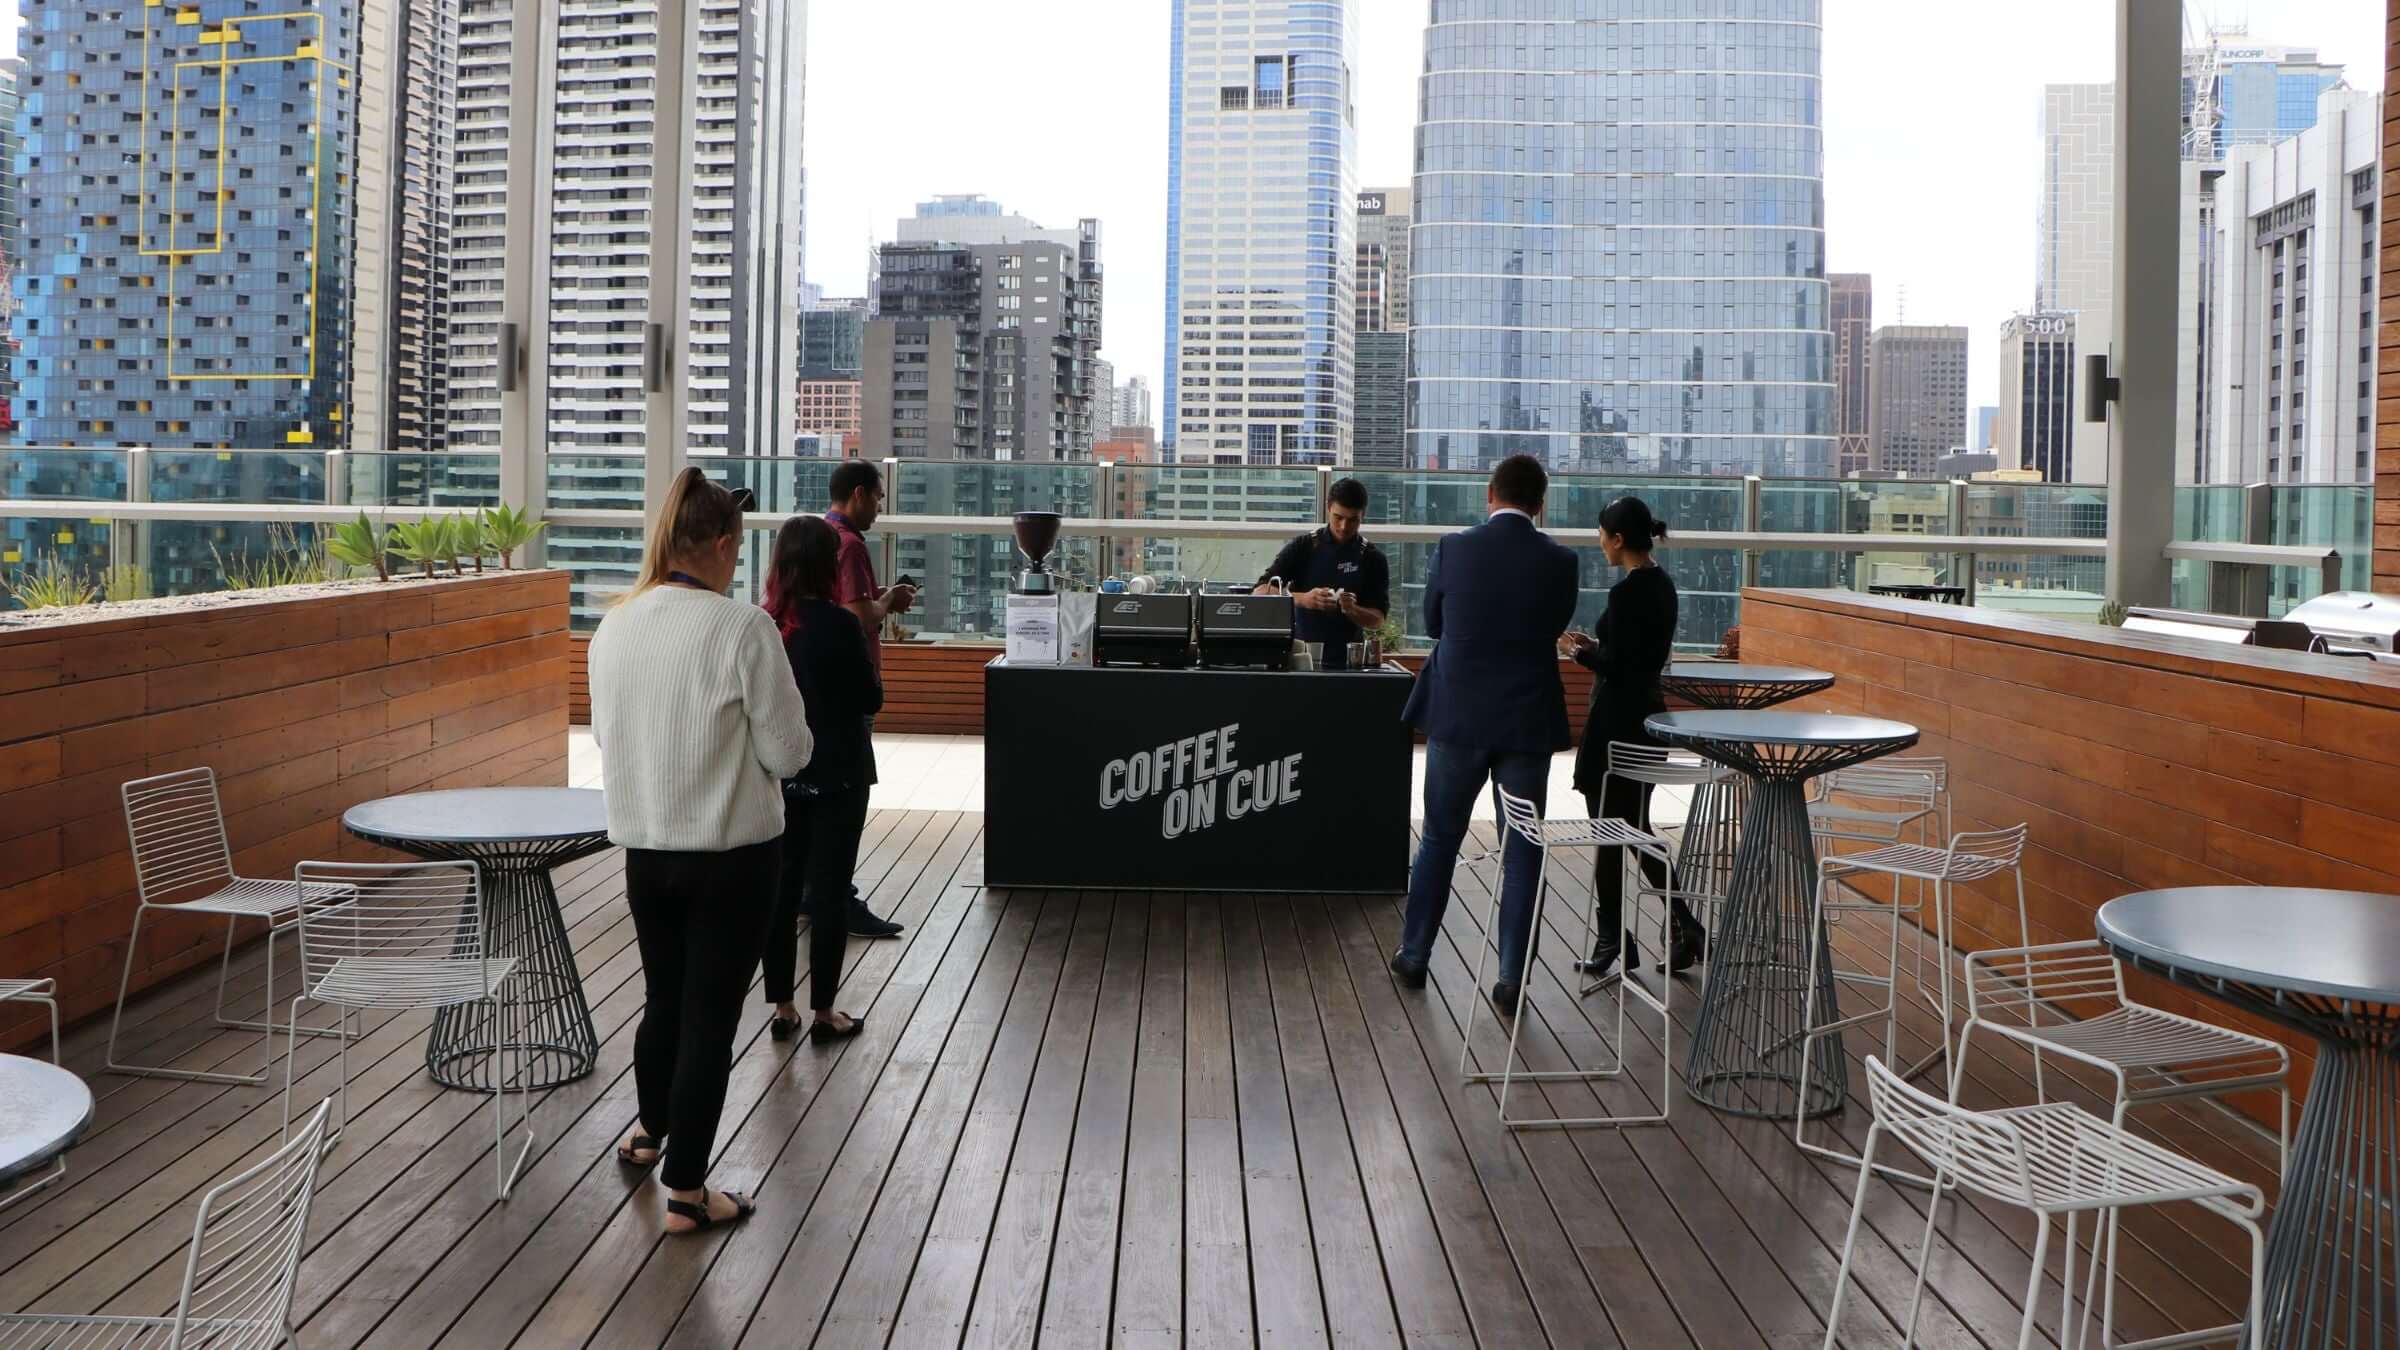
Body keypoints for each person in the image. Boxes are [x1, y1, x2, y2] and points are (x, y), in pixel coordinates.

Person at [589, 465, 811, 1236]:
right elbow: (787, 753)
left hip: (645, 853)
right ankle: (687, 1191)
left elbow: (613, 736)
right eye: (736, 548)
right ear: (720, 545)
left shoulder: (615, 623)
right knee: (711, 1021)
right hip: (733, 859)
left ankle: (650, 1133)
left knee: (665, 1002)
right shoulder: (742, 627)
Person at [1390, 455, 1580, 1017]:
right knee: (1521, 850)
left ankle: (1415, 954)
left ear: (1490, 494)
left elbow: (1432, 623)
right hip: (1525, 723)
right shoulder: (1562, 561)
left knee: (1441, 840)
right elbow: (1552, 628)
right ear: (1541, 503)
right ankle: (1510, 977)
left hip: (1459, 715)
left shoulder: (1455, 548)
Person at [1559, 496, 1700, 977]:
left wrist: (1579, 653)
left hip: (1616, 724)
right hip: (1647, 719)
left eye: (1602, 533)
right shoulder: (1663, 586)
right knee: (1635, 828)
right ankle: (1681, 925)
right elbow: (1638, 658)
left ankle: (1613, 939)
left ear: (1618, 539)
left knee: (1608, 829)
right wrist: (1598, 648)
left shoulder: (1625, 594)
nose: (1599, 541)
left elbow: (1617, 666)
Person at [760, 515, 879, 1045]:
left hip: (780, 779)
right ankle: (825, 1011)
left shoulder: (765, 624)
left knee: (781, 896)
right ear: (825, 564)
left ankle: (783, 1008)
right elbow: (869, 699)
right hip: (839, 775)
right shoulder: (840, 625)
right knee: (829, 894)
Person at [824, 459, 915, 940]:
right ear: (859, 493)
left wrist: (877, 596)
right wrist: (889, 602)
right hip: (850, 686)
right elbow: (858, 618)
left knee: (819, 799)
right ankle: (838, 897)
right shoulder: (852, 544)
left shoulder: (818, 536)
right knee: (850, 794)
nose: (880, 507)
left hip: (817, 686)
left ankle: (813, 892)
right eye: (878, 497)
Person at [1253, 476, 1390, 670]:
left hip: (1349, 663)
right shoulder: (1303, 547)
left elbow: (1378, 619)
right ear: (1328, 508)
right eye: (1338, 517)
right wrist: (1303, 599)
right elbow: (1259, 592)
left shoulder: (1372, 557)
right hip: (1298, 659)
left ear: (1363, 515)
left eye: (1353, 520)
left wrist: (1353, 610)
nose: (1344, 527)